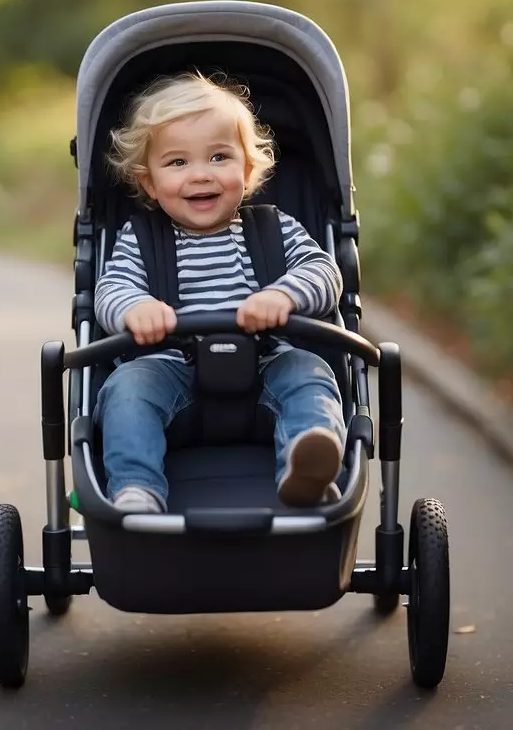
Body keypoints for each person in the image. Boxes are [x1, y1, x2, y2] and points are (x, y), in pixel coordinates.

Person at [93, 70, 346, 514]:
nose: (200, 175)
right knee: (126, 387)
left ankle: (306, 465)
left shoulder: (274, 228)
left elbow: (324, 271)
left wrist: (285, 295)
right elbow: (110, 288)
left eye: (218, 157)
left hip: (266, 363)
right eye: (177, 163)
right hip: (171, 372)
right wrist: (135, 307)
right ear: (149, 182)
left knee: (310, 372)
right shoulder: (142, 239)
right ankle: (136, 488)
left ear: (247, 171)